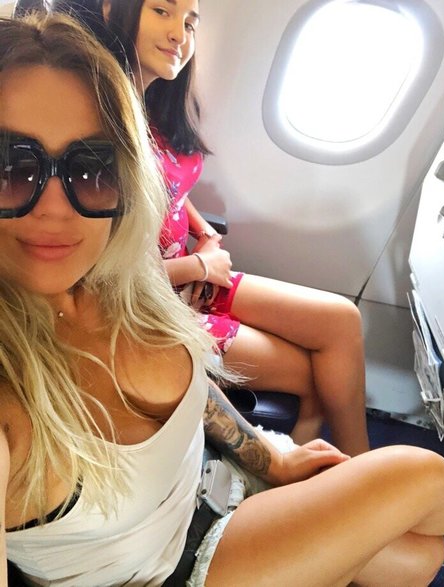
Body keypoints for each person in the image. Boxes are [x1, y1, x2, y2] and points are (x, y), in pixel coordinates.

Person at [2, 11, 444, 587]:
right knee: (424, 477)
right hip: (164, 571)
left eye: (91, 167)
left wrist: (274, 459)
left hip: (207, 485)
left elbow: (192, 389)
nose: (54, 206)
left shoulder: (116, 280)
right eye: (10, 164)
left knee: (420, 556)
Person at [46, 0, 370, 455]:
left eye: (190, 23)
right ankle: (337, 472)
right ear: (111, 8)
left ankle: (353, 465)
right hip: (144, 305)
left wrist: (204, 234)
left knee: (341, 319)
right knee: (309, 372)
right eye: (162, 11)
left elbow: (171, 185)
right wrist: (200, 266)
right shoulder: (97, 122)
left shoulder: (147, 105)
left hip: (187, 274)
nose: (179, 35)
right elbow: (96, 278)